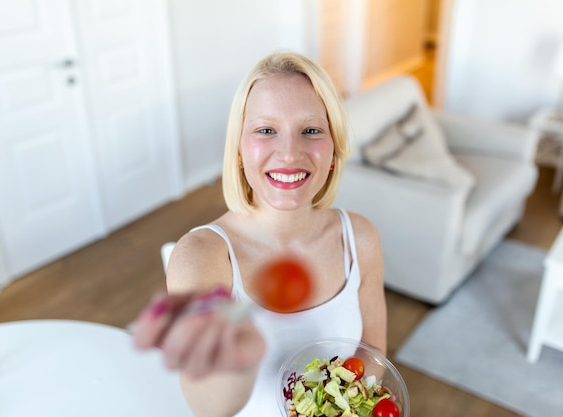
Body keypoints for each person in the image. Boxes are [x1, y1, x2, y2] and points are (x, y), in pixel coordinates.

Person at [132, 51, 387, 417]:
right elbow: (208, 408)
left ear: (333, 148)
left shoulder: (360, 238)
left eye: (311, 130)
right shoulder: (201, 258)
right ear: (238, 149)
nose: (288, 153)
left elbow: (372, 351)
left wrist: (332, 405)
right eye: (266, 130)